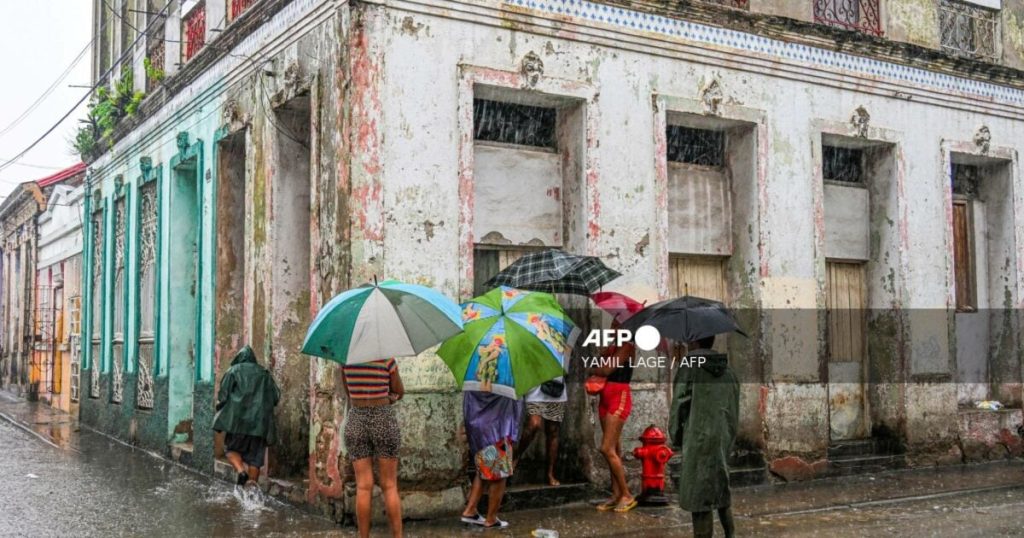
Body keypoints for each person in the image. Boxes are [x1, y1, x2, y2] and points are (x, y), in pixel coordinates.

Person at [670, 335, 739, 538]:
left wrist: (676, 437)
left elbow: (679, 405)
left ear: (694, 342)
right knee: (720, 488)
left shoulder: (690, 368)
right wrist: (728, 437)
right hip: (722, 438)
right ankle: (731, 535)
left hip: (697, 438)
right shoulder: (728, 371)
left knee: (699, 495)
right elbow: (734, 409)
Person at [342, 357, 404, 538]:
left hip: (356, 421)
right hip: (383, 418)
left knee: (363, 486)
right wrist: (388, 398)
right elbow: (399, 391)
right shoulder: (387, 360)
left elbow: (349, 393)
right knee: (389, 485)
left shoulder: (346, 361)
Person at [213, 346, 280, 488]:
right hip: (260, 425)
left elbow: (222, 396)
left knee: (231, 450)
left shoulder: (233, 371)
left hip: (237, 422)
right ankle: (251, 492)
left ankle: (241, 472)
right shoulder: (264, 373)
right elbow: (275, 397)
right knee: (255, 460)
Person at [460, 390, 523, 529]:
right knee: (499, 474)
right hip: (497, 426)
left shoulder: (474, 374)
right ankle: (491, 518)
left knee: (483, 468)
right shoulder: (505, 375)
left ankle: (470, 510)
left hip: (477, 424)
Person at [591, 340, 636, 512]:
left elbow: (607, 370)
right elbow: (601, 366)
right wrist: (601, 355)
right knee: (614, 449)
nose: (613, 327)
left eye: (617, 325)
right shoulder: (612, 347)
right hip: (605, 396)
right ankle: (616, 494)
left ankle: (626, 494)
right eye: (613, 324)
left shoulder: (627, 346)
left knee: (606, 448)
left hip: (619, 396)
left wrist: (594, 368)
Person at [515, 375, 567, 486]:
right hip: (535, 385)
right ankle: (516, 456)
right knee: (534, 424)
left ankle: (550, 473)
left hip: (555, 386)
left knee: (553, 431)